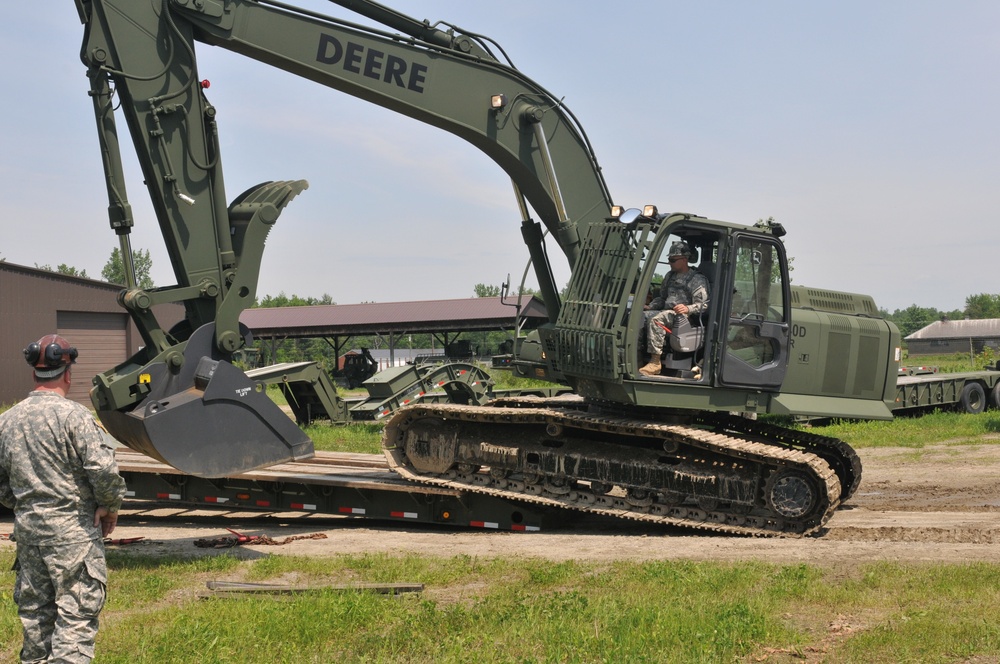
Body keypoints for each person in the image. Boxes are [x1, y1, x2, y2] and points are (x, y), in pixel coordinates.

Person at [0, 334, 127, 663]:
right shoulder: (77, 418)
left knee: (36, 624)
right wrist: (108, 507)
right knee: (75, 621)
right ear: (68, 373)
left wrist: (26, 506)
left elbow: (2, 485)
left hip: (30, 538)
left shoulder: (6, 421)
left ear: (34, 374)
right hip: (73, 537)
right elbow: (104, 470)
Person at [639, 241, 710, 377]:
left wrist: (687, 308)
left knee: (656, 320)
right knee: (639, 316)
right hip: (667, 312)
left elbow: (704, 304)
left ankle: (655, 362)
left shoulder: (696, 279)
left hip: (684, 318)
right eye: (669, 259)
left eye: (673, 260)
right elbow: (662, 298)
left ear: (684, 260)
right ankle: (637, 357)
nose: (670, 263)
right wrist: (650, 307)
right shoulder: (669, 276)